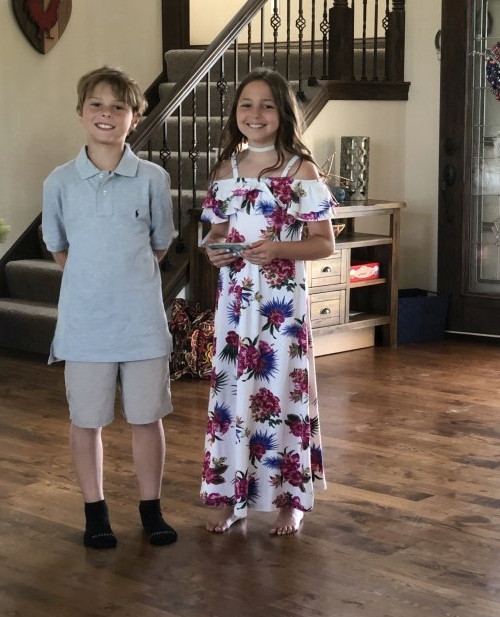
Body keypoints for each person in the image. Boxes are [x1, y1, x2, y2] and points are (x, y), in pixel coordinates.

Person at [42, 66, 177, 549]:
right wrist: (93, 281)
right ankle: (95, 512)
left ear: (134, 118)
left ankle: (151, 509)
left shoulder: (153, 179)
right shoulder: (59, 182)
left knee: (147, 418)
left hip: (142, 325)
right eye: (96, 104)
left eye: (119, 106)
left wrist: (125, 279)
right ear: (81, 112)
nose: (107, 114)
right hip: (84, 327)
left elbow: (159, 243)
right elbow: (59, 247)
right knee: (86, 421)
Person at [200, 67, 336, 536]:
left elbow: (324, 243)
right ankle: (232, 496)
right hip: (236, 303)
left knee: (280, 394)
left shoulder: (302, 170)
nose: (255, 114)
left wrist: (278, 248)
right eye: (246, 105)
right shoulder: (226, 170)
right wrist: (213, 249)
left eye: (266, 105)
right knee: (234, 395)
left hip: (282, 306)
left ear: (283, 113)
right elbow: (217, 232)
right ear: (235, 113)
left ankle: (289, 501)